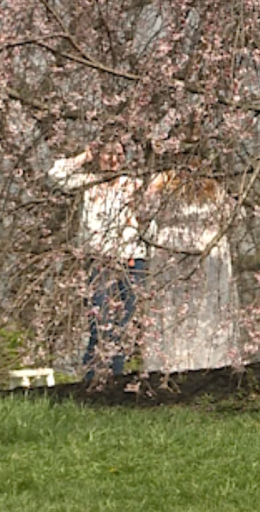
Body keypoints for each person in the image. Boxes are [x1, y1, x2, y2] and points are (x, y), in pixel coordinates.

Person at [48, 141, 150, 380]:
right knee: (100, 319)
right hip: (99, 260)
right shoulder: (88, 183)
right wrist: (84, 156)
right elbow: (56, 176)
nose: (113, 160)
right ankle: (90, 378)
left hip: (131, 259)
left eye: (119, 155)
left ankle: (115, 377)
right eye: (107, 154)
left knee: (124, 323)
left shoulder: (132, 185)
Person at [141, 169, 239, 373]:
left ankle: (209, 363)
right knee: (172, 308)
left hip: (207, 254)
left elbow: (233, 215)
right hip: (173, 251)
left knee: (207, 308)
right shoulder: (162, 184)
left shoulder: (216, 188)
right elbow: (143, 212)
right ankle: (172, 365)